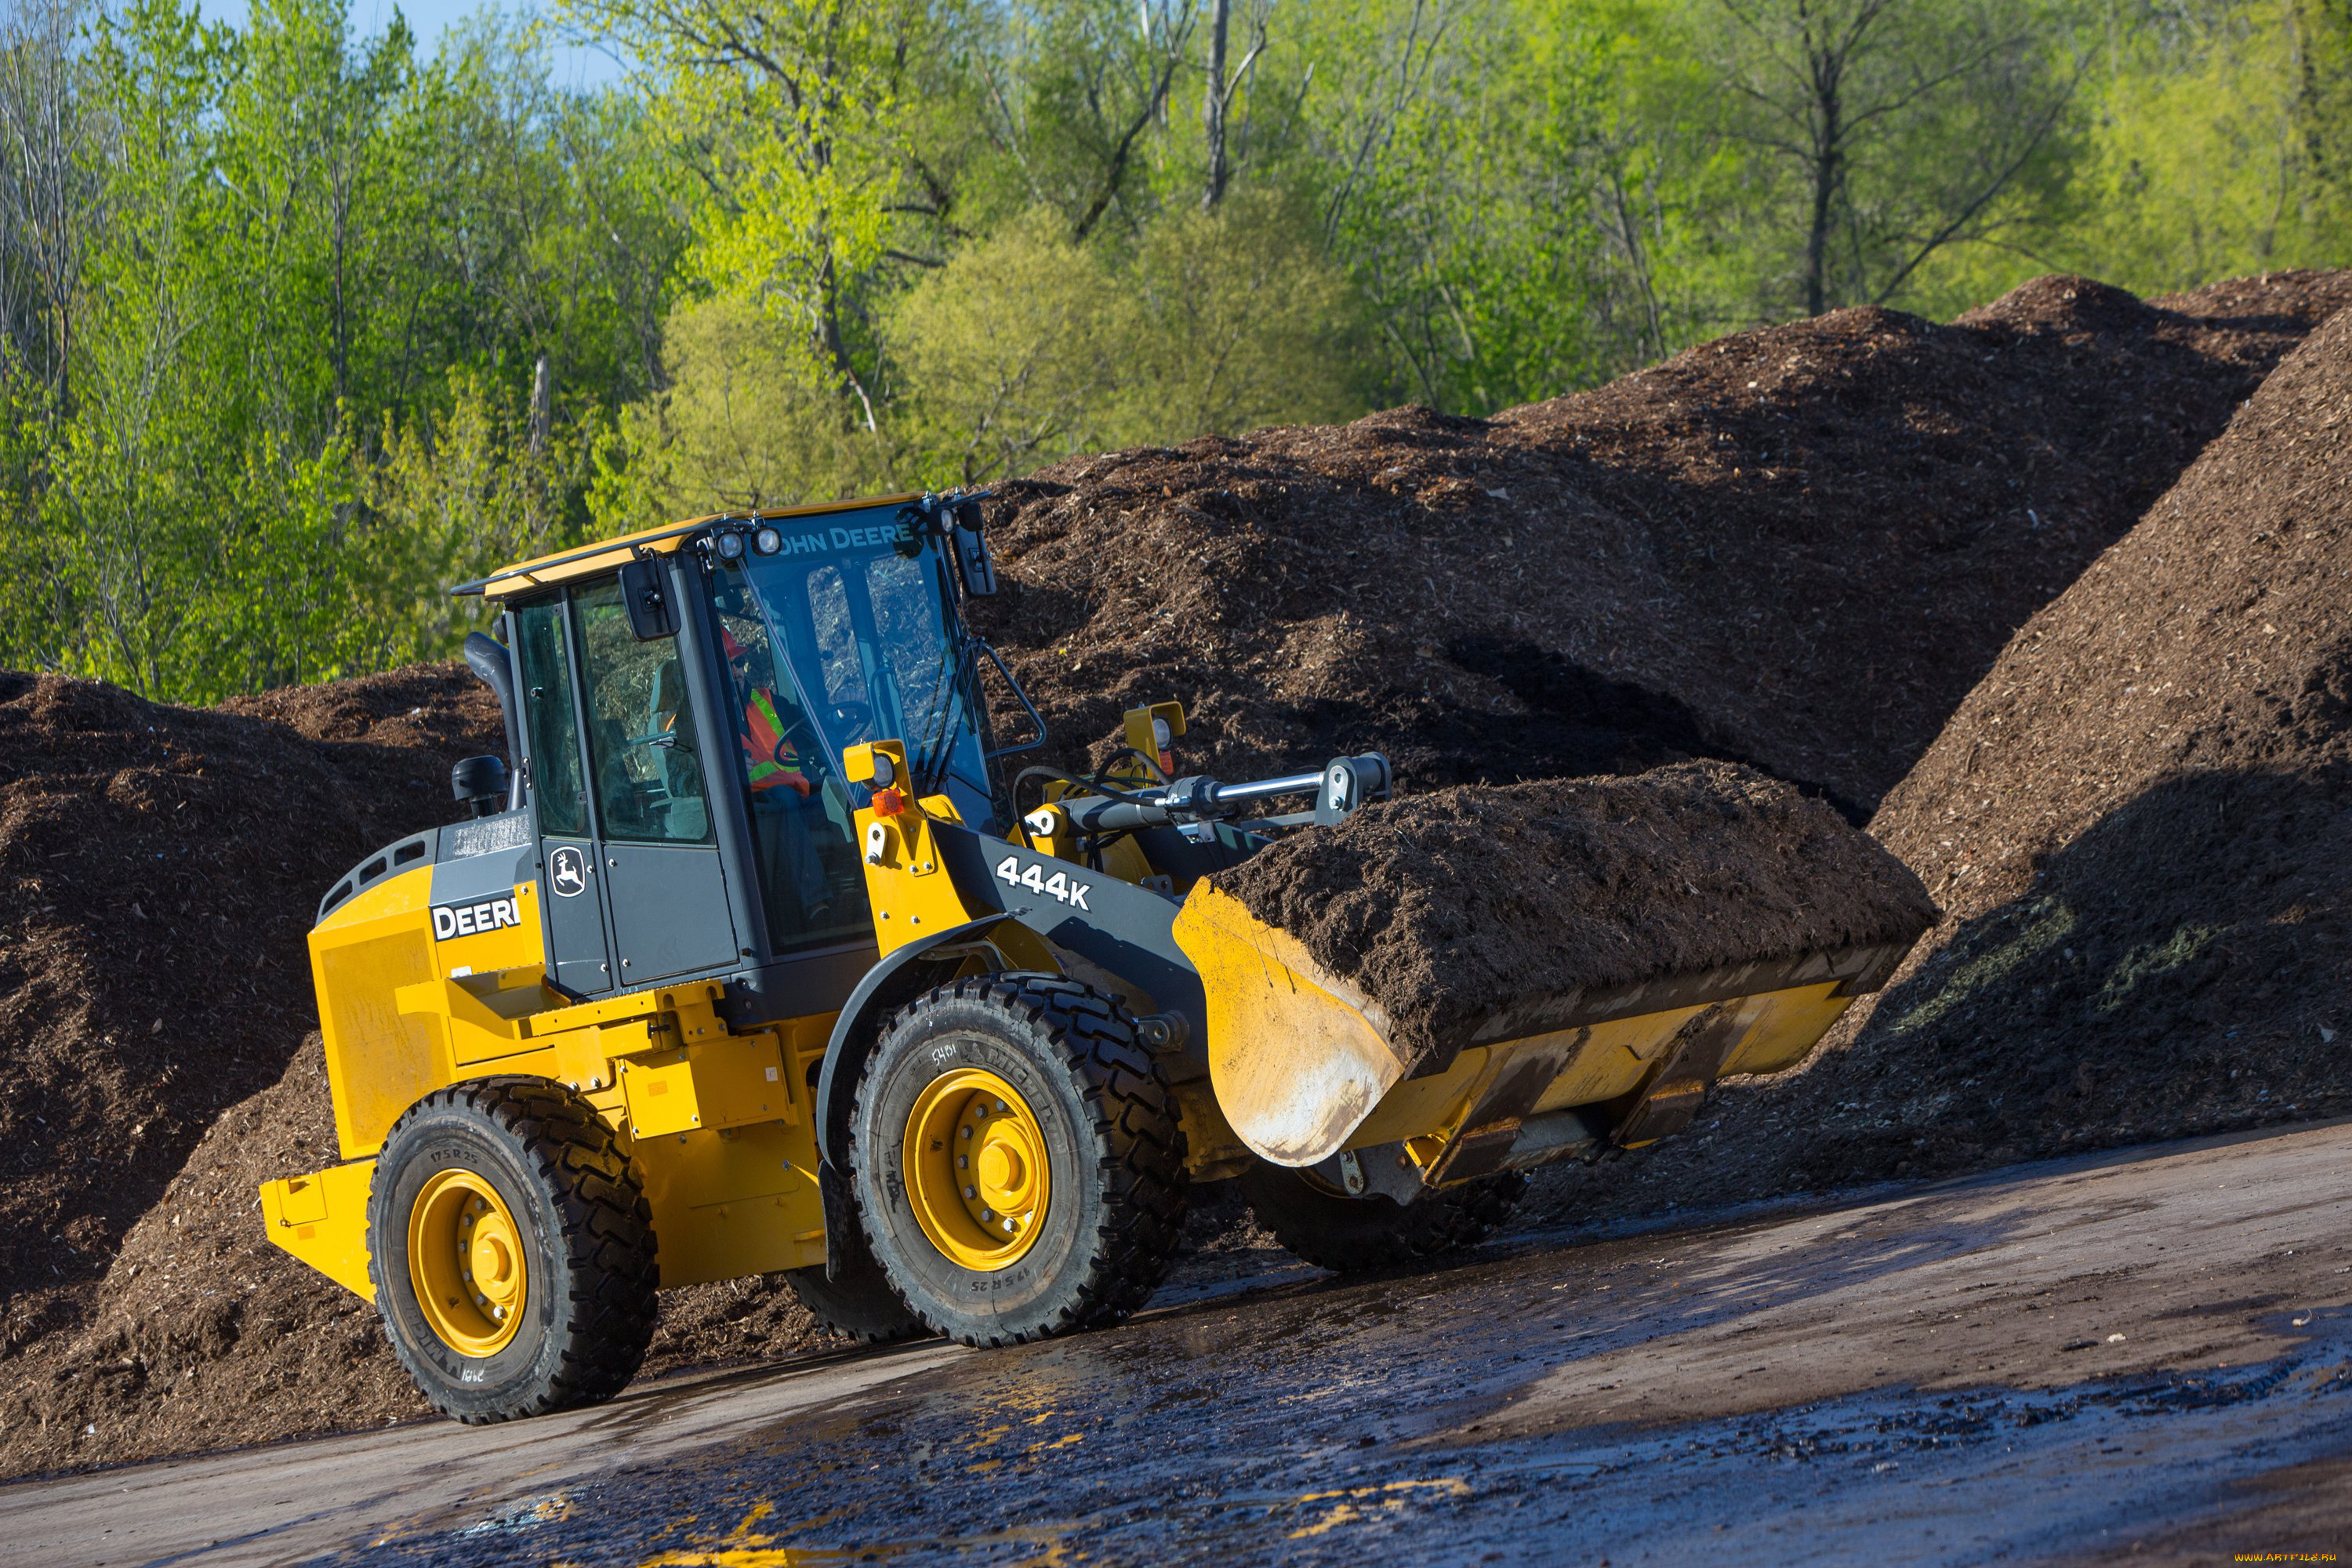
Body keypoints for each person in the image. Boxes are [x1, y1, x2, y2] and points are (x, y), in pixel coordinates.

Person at [723, 630, 833, 930]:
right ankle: (817, 905)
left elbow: (810, 730)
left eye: (741, 663)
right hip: (753, 805)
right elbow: (687, 779)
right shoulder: (700, 720)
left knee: (837, 792)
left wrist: (833, 737)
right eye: (730, 664)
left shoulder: (769, 701)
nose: (738, 671)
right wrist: (728, 768)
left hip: (799, 794)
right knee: (784, 802)